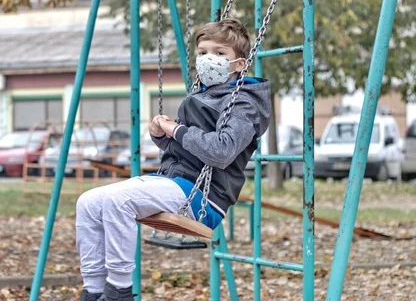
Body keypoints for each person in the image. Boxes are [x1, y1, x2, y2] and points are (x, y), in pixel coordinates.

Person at [76, 18, 272, 301]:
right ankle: (93, 290)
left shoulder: (244, 103)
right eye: (203, 52)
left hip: (203, 196)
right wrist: (161, 135)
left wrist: (176, 129)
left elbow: (222, 151)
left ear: (239, 64)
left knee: (119, 200)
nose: (208, 59)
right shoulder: (203, 94)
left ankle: (118, 290)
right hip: (174, 181)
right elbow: (183, 147)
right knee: (89, 202)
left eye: (219, 53)